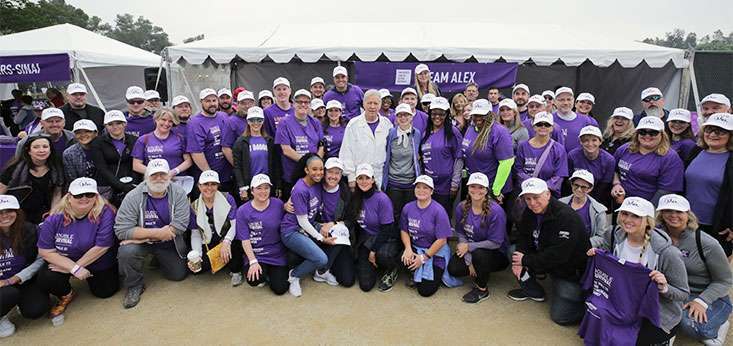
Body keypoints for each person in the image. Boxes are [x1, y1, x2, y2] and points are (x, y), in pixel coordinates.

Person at [588, 197, 688, 345]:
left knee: (631, 340)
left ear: (648, 220)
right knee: (595, 315)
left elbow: (683, 293)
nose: (627, 220)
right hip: (620, 301)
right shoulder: (613, 235)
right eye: (624, 214)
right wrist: (598, 254)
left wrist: (664, 287)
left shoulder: (668, 253)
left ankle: (664, 340)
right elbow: (606, 256)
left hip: (654, 310)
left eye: (636, 216)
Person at [507, 178, 589, 325]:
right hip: (544, 257)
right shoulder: (530, 211)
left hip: (568, 270)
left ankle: (588, 308)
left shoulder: (566, 217)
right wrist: (518, 260)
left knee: (560, 317)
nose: (532, 203)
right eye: (528, 199)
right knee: (514, 252)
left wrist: (526, 261)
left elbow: (559, 255)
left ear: (548, 194)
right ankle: (532, 290)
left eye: (536, 197)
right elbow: (524, 236)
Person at [36, 178, 119, 320]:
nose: (84, 198)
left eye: (89, 194)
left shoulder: (106, 213)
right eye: (79, 195)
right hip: (64, 260)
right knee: (47, 278)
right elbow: (45, 251)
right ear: (69, 197)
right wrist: (73, 268)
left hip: (97, 259)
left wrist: (76, 267)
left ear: (97, 196)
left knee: (105, 292)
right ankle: (67, 293)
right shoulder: (54, 217)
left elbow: (102, 246)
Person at [655, 194, 733, 345]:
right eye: (668, 210)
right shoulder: (656, 235)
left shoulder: (706, 242)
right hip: (670, 291)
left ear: (688, 214)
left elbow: (724, 280)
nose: (673, 215)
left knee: (691, 325)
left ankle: (719, 325)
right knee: (653, 317)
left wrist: (701, 301)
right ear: (661, 213)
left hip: (702, 293)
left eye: (679, 211)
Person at [115, 159, 190, 309]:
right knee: (126, 251)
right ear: (146, 177)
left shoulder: (179, 192)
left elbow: (180, 226)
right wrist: (156, 234)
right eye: (154, 175)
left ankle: (159, 258)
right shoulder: (133, 196)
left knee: (178, 275)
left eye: (162, 174)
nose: (159, 178)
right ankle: (134, 285)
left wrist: (139, 236)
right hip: (146, 242)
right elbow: (121, 230)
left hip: (167, 241)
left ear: (169, 175)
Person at [278, 154, 334, 297]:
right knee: (321, 258)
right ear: (306, 170)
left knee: (336, 233)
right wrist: (321, 238)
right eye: (314, 169)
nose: (319, 173)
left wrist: (323, 226)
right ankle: (295, 275)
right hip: (292, 230)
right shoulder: (300, 189)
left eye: (321, 169)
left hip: (309, 224)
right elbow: (302, 221)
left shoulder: (317, 184)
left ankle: (320, 273)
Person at [448, 173, 509, 303]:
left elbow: (495, 243)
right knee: (454, 269)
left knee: (480, 255)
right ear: (468, 187)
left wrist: (468, 247)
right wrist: (469, 261)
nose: (476, 190)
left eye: (481, 187)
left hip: (496, 253)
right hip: (471, 249)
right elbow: (461, 233)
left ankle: (482, 289)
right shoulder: (462, 207)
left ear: (487, 190)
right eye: (473, 186)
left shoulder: (496, 212)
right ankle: (481, 268)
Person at [345, 163, 400, 292]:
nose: (364, 181)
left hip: (386, 238)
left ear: (373, 180)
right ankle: (374, 265)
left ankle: (392, 268)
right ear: (356, 180)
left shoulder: (382, 199)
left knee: (383, 255)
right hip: (367, 239)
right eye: (360, 178)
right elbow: (352, 221)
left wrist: (373, 251)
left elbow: (387, 229)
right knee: (366, 285)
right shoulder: (355, 197)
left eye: (367, 178)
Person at [400, 175, 458, 297]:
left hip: (436, 251)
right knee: (402, 258)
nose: (421, 190)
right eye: (418, 187)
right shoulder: (408, 207)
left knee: (425, 291)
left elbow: (442, 240)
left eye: (425, 188)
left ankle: (435, 274)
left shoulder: (438, 210)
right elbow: (404, 230)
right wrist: (408, 248)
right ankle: (415, 273)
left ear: (431, 191)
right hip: (416, 247)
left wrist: (423, 258)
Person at [684, 113, 733, 256]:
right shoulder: (696, 151)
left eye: (720, 131)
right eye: (708, 129)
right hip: (686, 221)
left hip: (718, 227)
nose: (712, 134)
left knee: (712, 272)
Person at [0, 195, 47, 338]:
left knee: (36, 309)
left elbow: (41, 259)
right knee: (8, 294)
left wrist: (15, 278)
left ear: (18, 211)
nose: (4, 216)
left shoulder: (30, 230)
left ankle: (16, 302)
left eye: (9, 210)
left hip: (22, 279)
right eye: (0, 212)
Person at [236, 174, 289, 295]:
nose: (263, 191)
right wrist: (253, 261)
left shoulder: (278, 204)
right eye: (259, 188)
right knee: (254, 280)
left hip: (276, 253)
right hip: (257, 254)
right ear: (252, 191)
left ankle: (272, 273)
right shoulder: (243, 211)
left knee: (280, 289)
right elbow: (244, 239)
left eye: (266, 187)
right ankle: (264, 272)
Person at [188, 171, 243, 285]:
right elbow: (195, 233)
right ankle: (222, 260)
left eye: (213, 184)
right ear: (199, 186)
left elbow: (235, 225)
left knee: (236, 244)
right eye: (205, 184)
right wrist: (197, 255)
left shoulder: (228, 198)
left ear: (218, 185)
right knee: (197, 269)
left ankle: (236, 270)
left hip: (227, 239)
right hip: (208, 241)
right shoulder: (194, 206)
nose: (209, 188)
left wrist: (226, 242)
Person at [612, 116, 684, 204]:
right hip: (621, 203)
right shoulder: (625, 149)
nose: (647, 136)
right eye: (642, 132)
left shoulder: (670, 157)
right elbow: (614, 169)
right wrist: (616, 184)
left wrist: (647, 211)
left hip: (648, 208)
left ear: (662, 134)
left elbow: (666, 191)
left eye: (653, 133)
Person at [0, 135, 64, 224]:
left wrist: (52, 214)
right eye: (36, 147)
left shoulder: (57, 167)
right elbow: (1, 190)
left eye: (45, 147)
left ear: (50, 150)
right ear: (29, 151)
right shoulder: (14, 168)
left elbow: (57, 193)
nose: (41, 150)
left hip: (44, 214)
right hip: (18, 213)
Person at [310, 158, 354, 287]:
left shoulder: (345, 192)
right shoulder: (314, 188)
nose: (333, 176)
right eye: (330, 172)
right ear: (324, 172)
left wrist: (333, 224)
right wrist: (320, 226)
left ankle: (326, 266)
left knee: (347, 280)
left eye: (337, 173)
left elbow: (351, 220)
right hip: (317, 234)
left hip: (337, 240)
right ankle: (322, 270)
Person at [460, 100, 514, 203]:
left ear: (490, 114)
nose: (478, 118)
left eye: (482, 115)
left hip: (491, 189)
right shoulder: (471, 128)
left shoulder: (499, 132)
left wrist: (496, 190)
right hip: (475, 186)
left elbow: (506, 163)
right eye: (475, 115)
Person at [340, 89, 393, 190]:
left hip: (380, 176)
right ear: (363, 104)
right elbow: (346, 152)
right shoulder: (353, 124)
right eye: (369, 103)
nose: (372, 106)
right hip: (359, 177)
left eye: (375, 103)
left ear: (380, 105)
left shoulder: (387, 124)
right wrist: (351, 176)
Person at [275, 89, 323, 200]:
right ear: (293, 103)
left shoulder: (315, 122)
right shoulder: (284, 123)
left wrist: (315, 164)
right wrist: (308, 163)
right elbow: (286, 149)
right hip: (292, 174)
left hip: (312, 175)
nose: (303, 104)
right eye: (299, 101)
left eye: (306, 102)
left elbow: (321, 145)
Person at [419, 97, 463, 215]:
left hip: (446, 186)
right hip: (429, 185)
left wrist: (455, 183)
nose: (437, 117)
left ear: (447, 114)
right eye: (434, 113)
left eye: (441, 114)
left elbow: (459, 159)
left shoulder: (453, 132)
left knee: (442, 216)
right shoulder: (425, 133)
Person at [89, 111, 139, 207]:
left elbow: (136, 163)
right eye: (110, 124)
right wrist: (120, 186)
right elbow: (101, 167)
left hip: (131, 184)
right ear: (105, 126)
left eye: (118, 123)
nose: (115, 127)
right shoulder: (97, 142)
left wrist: (133, 183)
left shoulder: (134, 140)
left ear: (125, 124)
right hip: (107, 185)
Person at [187, 88, 234, 192]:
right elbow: (196, 152)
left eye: (214, 100)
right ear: (201, 102)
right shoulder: (195, 122)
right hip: (207, 178)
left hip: (226, 175)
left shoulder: (223, 116)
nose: (212, 104)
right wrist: (210, 176)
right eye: (208, 101)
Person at [382, 103, 421, 225]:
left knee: (409, 214)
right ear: (396, 118)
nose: (403, 118)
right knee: (394, 214)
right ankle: (395, 241)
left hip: (410, 182)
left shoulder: (416, 134)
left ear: (411, 117)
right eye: (400, 115)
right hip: (394, 182)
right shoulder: (391, 133)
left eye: (406, 115)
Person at [232, 106, 281, 202]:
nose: (256, 123)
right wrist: (242, 187)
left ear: (263, 121)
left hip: (267, 184)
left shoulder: (269, 141)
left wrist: (278, 185)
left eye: (259, 120)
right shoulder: (241, 142)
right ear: (248, 121)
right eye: (252, 120)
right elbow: (237, 167)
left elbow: (276, 165)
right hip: (250, 185)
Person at [514, 112, 568, 197]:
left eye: (547, 124)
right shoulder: (523, 146)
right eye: (539, 124)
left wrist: (541, 189)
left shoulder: (559, 149)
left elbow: (559, 175)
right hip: (527, 192)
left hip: (548, 194)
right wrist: (531, 186)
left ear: (552, 128)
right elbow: (518, 170)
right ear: (534, 127)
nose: (543, 127)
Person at [132, 108, 192, 180]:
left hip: (176, 180)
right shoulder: (143, 139)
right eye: (163, 119)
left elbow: (188, 161)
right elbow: (136, 165)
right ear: (156, 119)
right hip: (153, 181)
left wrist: (174, 172)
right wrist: (156, 174)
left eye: (170, 121)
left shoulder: (180, 138)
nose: (166, 123)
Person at [567, 126, 615, 208]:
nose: (590, 144)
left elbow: (605, 185)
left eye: (594, 140)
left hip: (599, 198)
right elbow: (568, 180)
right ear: (581, 142)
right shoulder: (572, 155)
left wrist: (589, 203)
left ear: (600, 142)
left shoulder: (609, 160)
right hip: (575, 194)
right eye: (586, 140)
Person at [558, 170, 608, 247]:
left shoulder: (599, 210)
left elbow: (602, 237)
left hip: (584, 251)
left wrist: (583, 244)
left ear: (590, 189)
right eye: (576, 185)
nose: (579, 189)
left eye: (583, 187)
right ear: (571, 184)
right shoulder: (560, 203)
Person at [552, 87, 598, 153]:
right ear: (555, 102)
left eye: (569, 99)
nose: (566, 103)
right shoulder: (549, 119)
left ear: (573, 101)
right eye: (561, 100)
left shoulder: (586, 121)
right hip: (555, 161)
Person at [222, 90, 255, 162]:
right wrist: (238, 167)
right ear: (237, 104)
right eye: (243, 103)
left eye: (250, 103)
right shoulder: (231, 121)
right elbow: (226, 148)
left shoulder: (259, 119)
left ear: (254, 104)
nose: (247, 106)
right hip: (243, 164)